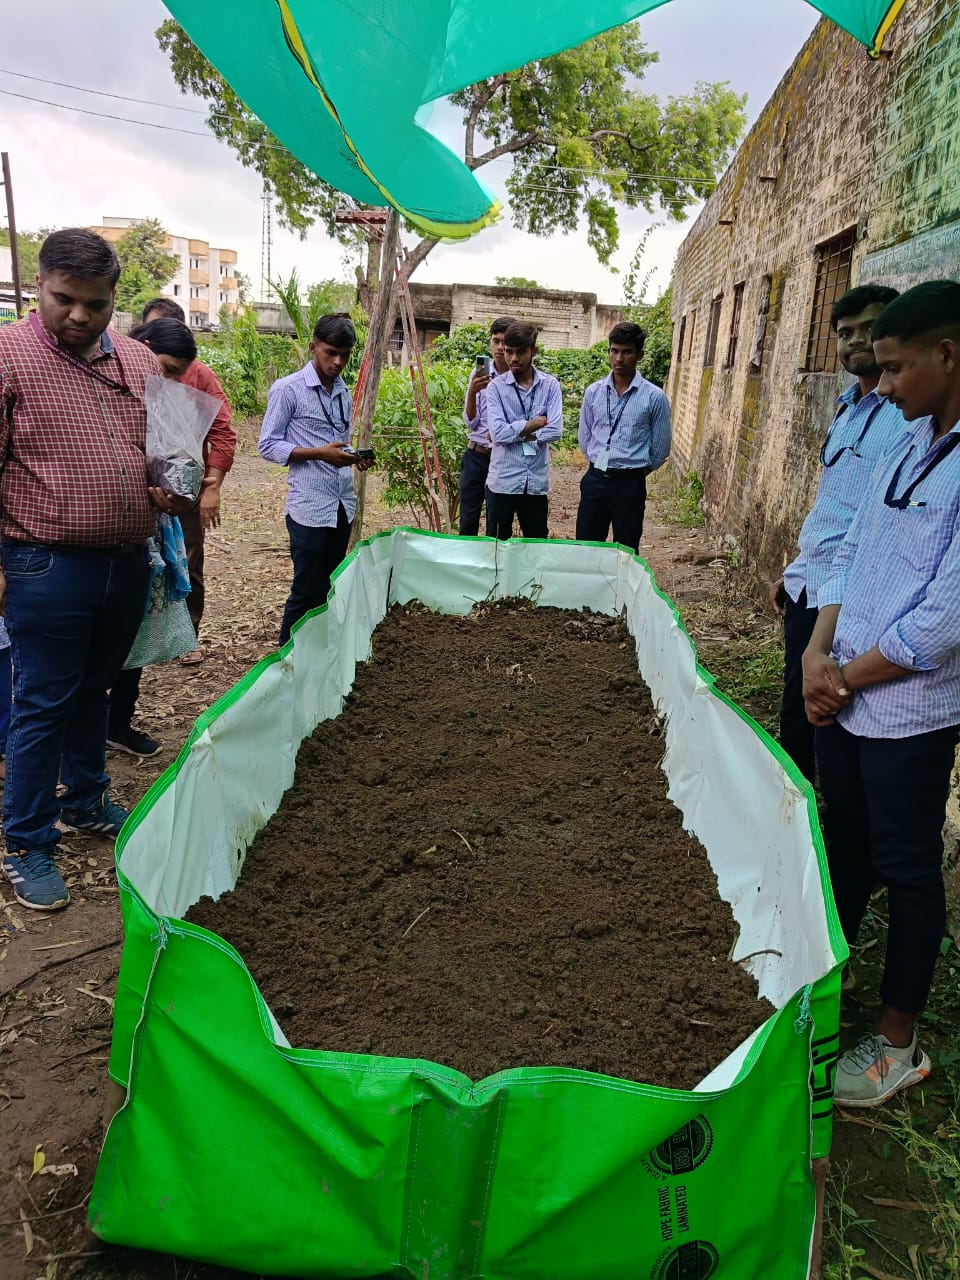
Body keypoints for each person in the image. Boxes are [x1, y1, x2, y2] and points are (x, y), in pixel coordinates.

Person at [802, 279, 960, 1106]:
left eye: (897, 368)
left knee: (906, 868)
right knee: (844, 840)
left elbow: (942, 621)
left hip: (906, 712)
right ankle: (824, 984)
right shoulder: (904, 440)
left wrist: (843, 676)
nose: (884, 383)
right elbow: (850, 549)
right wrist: (817, 652)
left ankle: (898, 1043)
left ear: (947, 354)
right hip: (843, 693)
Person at [0, 229, 190, 911]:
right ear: (39, 287)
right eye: (64, 300)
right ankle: (25, 840)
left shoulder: (139, 359)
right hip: (45, 563)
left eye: (96, 304)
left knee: (96, 692)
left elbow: (165, 448)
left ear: (116, 300)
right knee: (42, 702)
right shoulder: (8, 357)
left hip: (126, 558)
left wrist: (171, 482)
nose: (79, 316)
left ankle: (84, 799)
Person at [772, 284, 904, 784]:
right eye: (845, 332)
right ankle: (793, 820)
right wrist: (794, 572)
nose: (856, 341)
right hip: (812, 584)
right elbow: (831, 503)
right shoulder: (847, 409)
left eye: (869, 328)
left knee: (831, 718)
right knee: (796, 713)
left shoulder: (909, 416)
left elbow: (875, 523)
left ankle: (825, 825)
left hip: (854, 598)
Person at [108, 318, 202, 757]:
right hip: (104, 535)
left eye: (174, 374)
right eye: (163, 369)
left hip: (148, 535)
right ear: (140, 350)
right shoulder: (108, 393)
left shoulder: (164, 404)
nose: (166, 380)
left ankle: (118, 721)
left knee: (138, 629)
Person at [258, 313, 373, 645]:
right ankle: (287, 659)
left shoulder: (341, 390)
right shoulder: (288, 389)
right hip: (309, 506)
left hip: (341, 503)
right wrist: (320, 454)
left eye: (345, 355)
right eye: (330, 353)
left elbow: (340, 438)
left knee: (327, 585)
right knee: (306, 588)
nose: (337, 362)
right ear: (313, 347)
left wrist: (353, 456)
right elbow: (267, 444)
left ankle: (317, 653)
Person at [141, 297, 236, 664]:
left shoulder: (198, 375)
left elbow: (224, 432)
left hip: (182, 488)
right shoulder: (121, 368)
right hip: (136, 490)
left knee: (187, 559)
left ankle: (187, 636)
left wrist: (212, 485)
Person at [575, 321, 672, 554]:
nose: (619, 358)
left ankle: (621, 592)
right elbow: (585, 436)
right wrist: (599, 462)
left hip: (630, 485)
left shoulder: (654, 397)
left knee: (626, 551)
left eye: (627, 352)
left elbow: (660, 449)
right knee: (586, 548)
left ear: (639, 355)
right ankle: (589, 591)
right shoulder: (594, 392)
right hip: (595, 480)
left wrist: (634, 471)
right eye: (614, 350)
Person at [484, 322, 563, 539]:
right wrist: (535, 423)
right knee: (497, 547)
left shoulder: (550, 385)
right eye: (509, 352)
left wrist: (516, 432)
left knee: (535, 547)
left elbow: (555, 430)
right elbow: (497, 434)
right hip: (503, 481)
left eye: (520, 352)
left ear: (533, 351)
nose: (513, 358)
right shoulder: (495, 388)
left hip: (535, 482)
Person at [459, 315, 515, 536]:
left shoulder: (518, 377)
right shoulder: (479, 373)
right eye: (496, 341)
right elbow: (470, 422)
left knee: (498, 524)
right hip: (476, 455)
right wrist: (473, 392)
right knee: (468, 521)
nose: (500, 347)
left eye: (505, 342)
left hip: (503, 457)